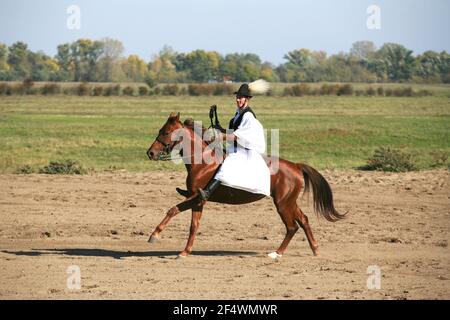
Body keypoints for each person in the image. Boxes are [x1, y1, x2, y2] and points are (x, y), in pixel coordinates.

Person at [198, 83, 271, 200]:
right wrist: (219, 128)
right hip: (237, 147)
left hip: (245, 151)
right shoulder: (239, 113)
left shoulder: (248, 116)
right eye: (237, 97)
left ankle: (207, 192)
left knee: (228, 163)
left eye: (241, 97)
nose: (238, 100)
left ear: (247, 99)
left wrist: (220, 137)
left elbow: (237, 136)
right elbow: (233, 131)